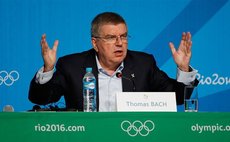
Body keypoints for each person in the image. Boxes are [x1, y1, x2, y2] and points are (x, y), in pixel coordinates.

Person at [29, 12, 198, 111]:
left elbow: (177, 97)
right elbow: (40, 99)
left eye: (123, 36)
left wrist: (183, 68)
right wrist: (48, 69)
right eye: (111, 37)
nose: (119, 43)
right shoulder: (72, 66)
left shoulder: (143, 64)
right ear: (95, 43)